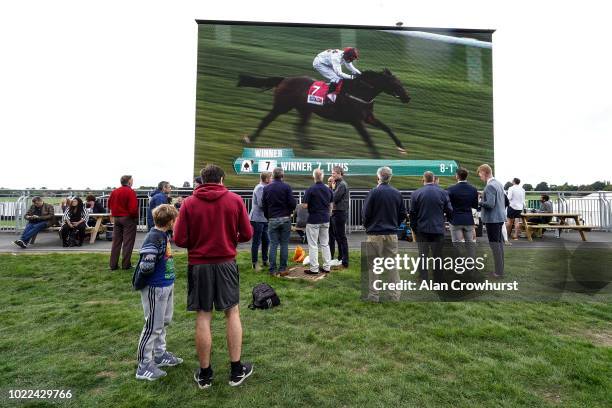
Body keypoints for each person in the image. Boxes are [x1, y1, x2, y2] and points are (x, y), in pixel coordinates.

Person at [173, 164, 254, 389]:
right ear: (221, 180)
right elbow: (247, 233)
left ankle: (205, 374)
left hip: (199, 265)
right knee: (232, 312)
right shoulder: (235, 200)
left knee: (203, 315)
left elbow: (179, 239)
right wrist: (229, 237)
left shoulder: (189, 203)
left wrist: (198, 242)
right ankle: (236, 371)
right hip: (226, 263)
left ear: (202, 180)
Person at [134, 204, 183, 381]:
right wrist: (142, 282)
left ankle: (160, 354)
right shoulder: (154, 237)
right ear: (170, 221)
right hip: (156, 287)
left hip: (166, 285)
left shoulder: (163, 235)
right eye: (175, 219)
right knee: (152, 326)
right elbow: (146, 264)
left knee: (163, 321)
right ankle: (144, 365)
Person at [363, 167, 407, 301]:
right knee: (392, 265)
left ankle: (373, 296)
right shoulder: (397, 193)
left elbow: (365, 214)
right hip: (391, 233)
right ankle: (394, 296)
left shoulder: (373, 192)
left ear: (378, 177)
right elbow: (402, 214)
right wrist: (395, 225)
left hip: (375, 233)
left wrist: (368, 226)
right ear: (390, 177)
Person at [410, 171, 453, 281]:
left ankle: (423, 278)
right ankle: (438, 278)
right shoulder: (443, 192)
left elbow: (413, 213)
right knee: (437, 255)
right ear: (434, 180)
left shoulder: (416, 193)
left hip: (422, 229)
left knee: (422, 254)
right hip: (438, 229)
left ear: (422, 180)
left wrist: (414, 228)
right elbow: (449, 210)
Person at [262, 167, 296, 276]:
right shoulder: (287, 187)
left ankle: (272, 270)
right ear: (282, 176)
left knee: (273, 244)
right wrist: (290, 212)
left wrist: (268, 217)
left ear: (273, 175)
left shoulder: (266, 188)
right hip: (285, 218)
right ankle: (282, 269)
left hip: (272, 219)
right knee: (284, 244)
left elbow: (264, 205)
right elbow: (293, 203)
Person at [477, 164, 506, 277]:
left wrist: (479, 202)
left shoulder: (489, 186)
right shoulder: (498, 183)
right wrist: (483, 194)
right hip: (499, 217)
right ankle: (500, 270)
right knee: (499, 244)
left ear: (485, 172)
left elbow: (489, 204)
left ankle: (498, 272)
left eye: (480, 174)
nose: (480, 177)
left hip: (492, 219)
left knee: (495, 245)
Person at [303, 169, 333, 275]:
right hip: (325, 219)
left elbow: (305, 205)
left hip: (313, 219)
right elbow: (331, 205)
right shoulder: (328, 190)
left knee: (313, 245)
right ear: (323, 177)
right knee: (325, 244)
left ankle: (314, 268)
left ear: (314, 177)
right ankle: (327, 267)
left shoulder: (310, 189)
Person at [108, 175, 139, 270]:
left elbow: (109, 204)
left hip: (116, 218)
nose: (133, 182)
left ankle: (113, 265)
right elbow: (133, 208)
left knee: (116, 242)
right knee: (128, 243)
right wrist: (134, 218)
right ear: (129, 182)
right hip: (128, 218)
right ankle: (126, 265)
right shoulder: (131, 191)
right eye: (132, 180)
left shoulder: (114, 191)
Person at [446, 168, 479, 243]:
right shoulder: (473, 189)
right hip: (468, 220)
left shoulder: (450, 189)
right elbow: (475, 206)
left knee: (457, 244)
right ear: (466, 176)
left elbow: (447, 205)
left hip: (455, 220)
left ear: (457, 176)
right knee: (470, 244)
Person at [250, 171, 271, 270]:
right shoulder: (260, 188)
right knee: (256, 242)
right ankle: (254, 263)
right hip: (257, 219)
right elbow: (261, 204)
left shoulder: (264, 188)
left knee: (266, 241)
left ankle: (265, 260)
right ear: (266, 179)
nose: (272, 180)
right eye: (271, 178)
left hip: (264, 219)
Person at [329, 166, 350, 268]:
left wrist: (332, 189)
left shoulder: (341, 185)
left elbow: (333, 197)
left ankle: (345, 261)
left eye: (333, 173)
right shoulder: (338, 184)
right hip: (336, 213)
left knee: (341, 238)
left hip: (339, 213)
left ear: (339, 173)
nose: (332, 175)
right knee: (338, 237)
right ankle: (341, 258)